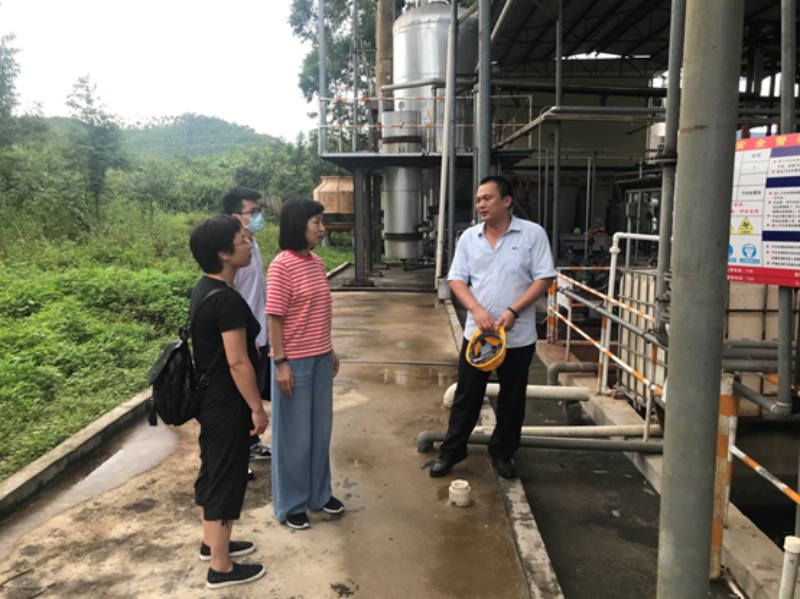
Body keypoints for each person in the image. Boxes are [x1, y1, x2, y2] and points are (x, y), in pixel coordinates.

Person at [430, 176, 555, 480]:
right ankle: (452, 451)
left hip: (517, 336)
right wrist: (475, 309)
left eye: (487, 198)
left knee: (512, 398)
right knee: (467, 395)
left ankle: (502, 453)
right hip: (478, 336)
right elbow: (456, 279)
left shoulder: (532, 234)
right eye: (478, 200)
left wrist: (514, 311)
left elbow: (544, 278)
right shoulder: (469, 238)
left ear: (506, 201)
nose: (480, 205)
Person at [189, 215, 270, 589]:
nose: (249, 244)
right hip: (227, 403)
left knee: (213, 470)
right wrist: (256, 407)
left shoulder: (205, 288)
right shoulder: (227, 300)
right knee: (225, 478)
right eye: (242, 239)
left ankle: (213, 544)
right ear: (223, 253)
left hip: (210, 400)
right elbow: (238, 363)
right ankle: (220, 568)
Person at [266, 197, 344, 530]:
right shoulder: (281, 266)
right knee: (294, 437)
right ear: (299, 225)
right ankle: (292, 504)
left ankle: (319, 495)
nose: (322, 228)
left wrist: (330, 349)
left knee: (319, 432)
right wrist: (281, 363)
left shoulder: (316, 262)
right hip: (294, 362)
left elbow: (318, 312)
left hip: (321, 357)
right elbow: (274, 318)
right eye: (317, 222)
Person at [221, 187, 272, 464]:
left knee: (255, 392)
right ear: (235, 217)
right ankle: (238, 452)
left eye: (258, 211)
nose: (257, 217)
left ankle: (250, 444)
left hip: (260, 334)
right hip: (244, 337)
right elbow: (230, 295)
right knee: (241, 398)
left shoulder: (253, 243)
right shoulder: (232, 253)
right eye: (252, 212)